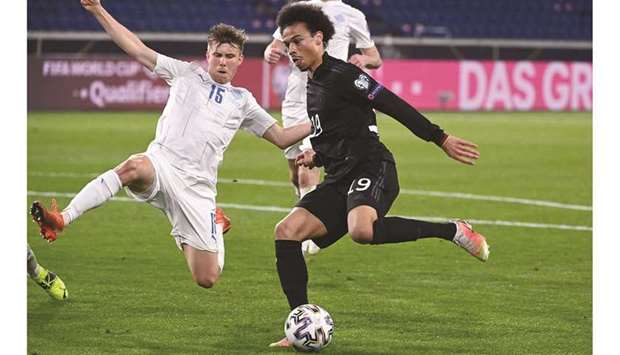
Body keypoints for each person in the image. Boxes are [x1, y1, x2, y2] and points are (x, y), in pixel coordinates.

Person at [30, 0, 311, 291]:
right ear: (208, 54)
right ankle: (62, 218)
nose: (223, 61)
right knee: (133, 166)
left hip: (198, 189)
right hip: (162, 164)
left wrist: (318, 122)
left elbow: (281, 137)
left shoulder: (243, 101)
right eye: (218, 55)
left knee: (207, 278)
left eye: (230, 56)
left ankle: (213, 225)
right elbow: (137, 49)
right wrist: (98, 10)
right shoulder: (185, 73)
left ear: (240, 59)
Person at [269, 4, 490, 347]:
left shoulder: (343, 74)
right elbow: (335, 133)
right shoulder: (312, 84)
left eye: (297, 41)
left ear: (319, 38)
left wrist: (440, 137)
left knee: (361, 229)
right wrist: (318, 154)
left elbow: (391, 103)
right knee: (286, 232)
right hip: (339, 175)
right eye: (287, 43)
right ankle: (301, 322)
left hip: (372, 165)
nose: (291, 49)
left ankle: (453, 230)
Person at [264, 0, 382, 256]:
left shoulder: (352, 15)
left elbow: (375, 58)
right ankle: (302, 207)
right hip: (296, 97)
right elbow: (273, 47)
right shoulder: (300, 9)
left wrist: (363, 58)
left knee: (309, 168)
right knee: (296, 170)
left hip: (329, 97)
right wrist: (269, 53)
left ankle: (308, 237)